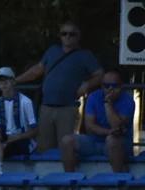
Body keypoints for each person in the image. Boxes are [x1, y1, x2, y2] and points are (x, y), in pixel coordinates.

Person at [14, 21, 104, 152]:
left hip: (69, 108)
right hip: (46, 107)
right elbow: (38, 69)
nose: (67, 37)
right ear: (60, 36)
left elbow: (100, 74)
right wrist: (16, 80)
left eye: (71, 34)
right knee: (43, 147)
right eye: (64, 33)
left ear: (78, 36)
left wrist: (87, 84)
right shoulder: (52, 51)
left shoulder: (85, 55)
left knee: (67, 146)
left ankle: (66, 173)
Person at [62, 69, 135, 174]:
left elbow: (116, 124)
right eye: (107, 85)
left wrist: (107, 103)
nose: (110, 89)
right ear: (102, 86)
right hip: (95, 141)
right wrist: (109, 132)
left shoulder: (128, 101)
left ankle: (119, 176)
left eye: (114, 86)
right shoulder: (93, 97)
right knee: (67, 140)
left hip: (120, 143)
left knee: (112, 140)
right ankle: (68, 178)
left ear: (120, 86)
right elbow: (89, 126)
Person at [0, 67, 38, 177]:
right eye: (0, 80)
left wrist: (14, 138)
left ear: (13, 82)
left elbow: (34, 131)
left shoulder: (26, 101)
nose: (4, 83)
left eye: (7, 79)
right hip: (5, 140)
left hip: (22, 141)